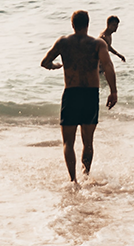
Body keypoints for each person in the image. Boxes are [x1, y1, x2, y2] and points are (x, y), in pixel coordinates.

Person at [41, 10, 118, 183]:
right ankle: (86, 175)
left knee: (68, 142)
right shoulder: (98, 44)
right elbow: (108, 66)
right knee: (88, 142)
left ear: (72, 24)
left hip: (71, 94)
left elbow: (44, 62)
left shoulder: (63, 42)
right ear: (88, 24)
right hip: (91, 95)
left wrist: (55, 66)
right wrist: (113, 91)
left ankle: (73, 180)